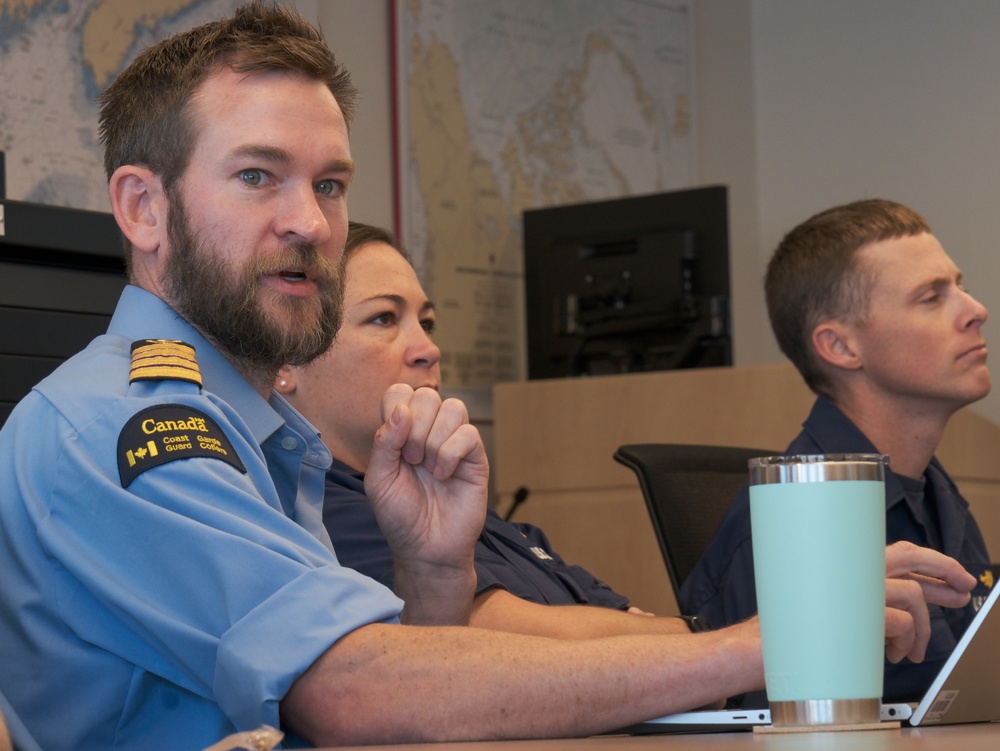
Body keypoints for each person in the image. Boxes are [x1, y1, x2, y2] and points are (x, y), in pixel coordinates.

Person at [0, 4, 973, 747]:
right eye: (257, 175)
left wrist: (431, 572)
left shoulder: (264, 434)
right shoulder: (127, 426)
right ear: (142, 208)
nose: (310, 222)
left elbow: (392, 710)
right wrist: (779, 639)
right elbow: (350, 690)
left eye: (329, 183)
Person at [278, 220, 976, 644]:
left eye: (426, 320)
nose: (428, 346)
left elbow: (622, 618)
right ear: (285, 364)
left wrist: (704, 641)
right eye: (383, 319)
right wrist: (751, 638)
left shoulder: (473, 513)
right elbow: (492, 642)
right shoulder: (326, 513)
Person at [681, 198, 994, 706]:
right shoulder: (786, 526)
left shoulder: (933, 491)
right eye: (931, 297)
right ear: (841, 348)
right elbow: (758, 727)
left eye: (958, 285)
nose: (975, 310)